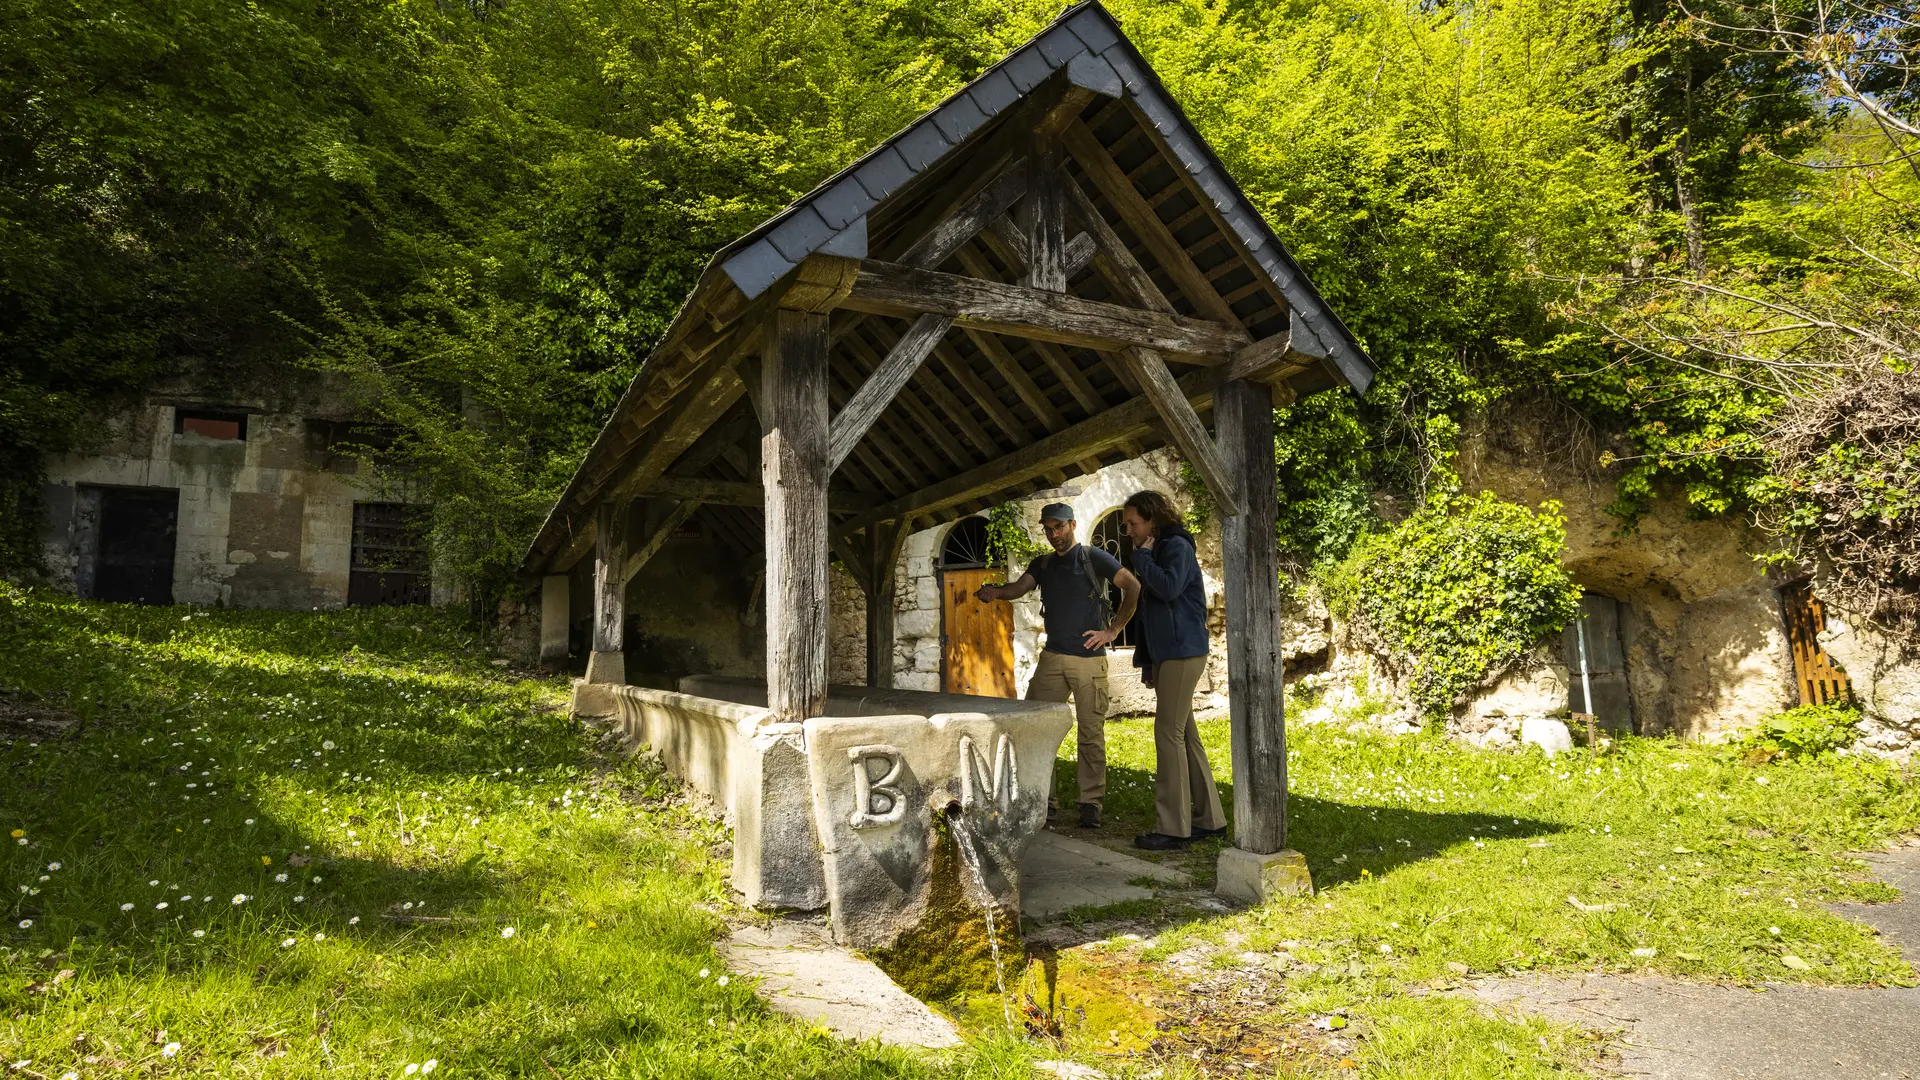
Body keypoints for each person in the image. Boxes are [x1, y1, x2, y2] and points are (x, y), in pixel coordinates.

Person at [975, 503, 1140, 829]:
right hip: (1052, 658)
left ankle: (1090, 805)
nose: (1054, 535)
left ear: (1072, 525)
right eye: (1048, 529)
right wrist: (995, 592)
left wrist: (1113, 630)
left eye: (1059, 528)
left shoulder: (1094, 557)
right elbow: (1018, 588)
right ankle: (1041, 801)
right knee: (1035, 726)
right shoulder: (1044, 563)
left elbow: (1132, 586)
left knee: (1090, 734)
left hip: (1089, 661)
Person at [1119, 489, 1226, 851]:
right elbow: (1152, 615)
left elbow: (1168, 588)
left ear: (1152, 519)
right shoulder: (1159, 549)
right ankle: (1209, 820)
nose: (1129, 530)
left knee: (1167, 733)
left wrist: (1142, 559)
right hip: (1169, 655)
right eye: (1127, 525)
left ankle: (1173, 828)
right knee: (1185, 735)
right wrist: (1150, 662)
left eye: (1133, 523)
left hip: (1183, 652)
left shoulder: (1176, 545)